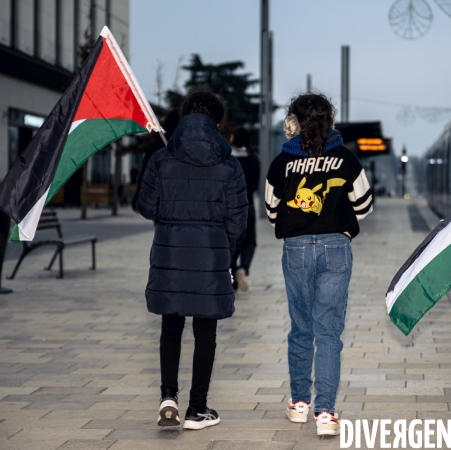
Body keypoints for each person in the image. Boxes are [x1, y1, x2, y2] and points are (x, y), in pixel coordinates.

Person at [136, 89, 248, 430]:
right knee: (205, 331)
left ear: (185, 117)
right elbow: (238, 221)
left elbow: (145, 207)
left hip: (169, 251)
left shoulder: (160, 158)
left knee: (171, 326)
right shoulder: (229, 164)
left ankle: (168, 396)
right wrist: (225, 256)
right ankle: (197, 410)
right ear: (216, 122)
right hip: (211, 255)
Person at [265, 93, 373, 436]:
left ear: (293, 121)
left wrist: (298, 225)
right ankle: (326, 413)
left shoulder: (283, 160)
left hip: (295, 247)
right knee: (328, 331)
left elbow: (271, 209)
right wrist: (336, 217)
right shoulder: (344, 157)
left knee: (301, 326)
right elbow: (366, 204)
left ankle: (299, 404)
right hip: (336, 247)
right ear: (330, 120)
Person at [229, 126, 260, 293]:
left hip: (229, 205)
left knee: (232, 241)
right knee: (250, 241)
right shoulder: (253, 159)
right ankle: (244, 268)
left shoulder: (227, 158)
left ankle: (232, 279)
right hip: (248, 203)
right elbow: (254, 185)